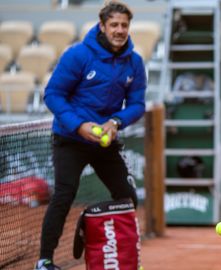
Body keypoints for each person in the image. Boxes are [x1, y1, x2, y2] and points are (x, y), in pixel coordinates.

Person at [35, 1, 146, 269]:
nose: (120, 30)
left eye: (124, 25)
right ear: (102, 26)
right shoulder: (78, 55)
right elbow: (53, 95)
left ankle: (127, 258)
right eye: (114, 25)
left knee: (128, 197)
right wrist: (79, 125)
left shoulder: (134, 62)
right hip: (70, 139)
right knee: (64, 195)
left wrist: (116, 122)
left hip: (105, 142)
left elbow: (137, 105)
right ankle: (44, 260)